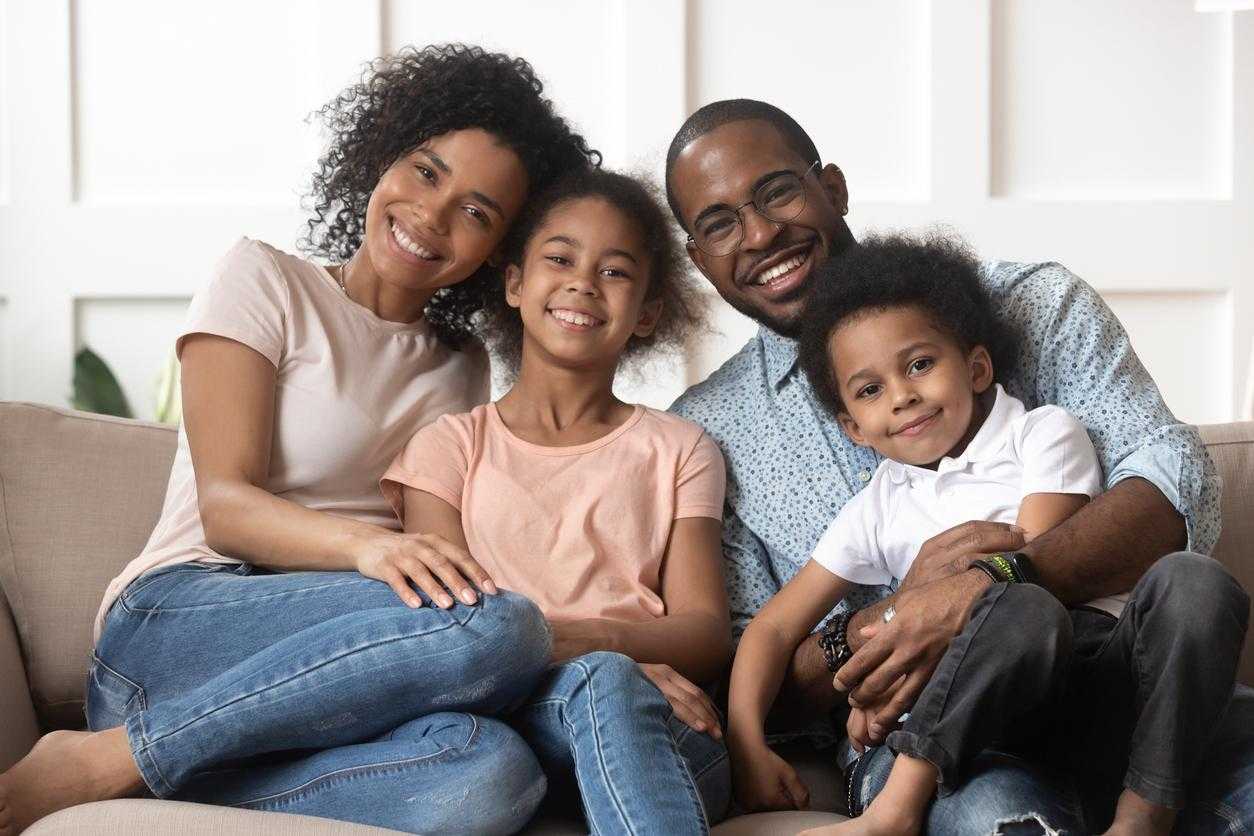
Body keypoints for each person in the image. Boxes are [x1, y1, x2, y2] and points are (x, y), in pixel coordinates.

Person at [0, 44, 600, 836]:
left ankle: (158, 775)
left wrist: (605, 654)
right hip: (177, 624)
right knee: (497, 625)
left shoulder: (462, 367)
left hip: (316, 677)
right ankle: (110, 757)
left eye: (478, 212)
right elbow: (226, 507)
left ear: (501, 253)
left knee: (491, 774)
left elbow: (441, 568)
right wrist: (370, 550)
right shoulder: (263, 279)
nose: (433, 214)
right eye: (426, 171)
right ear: (383, 154)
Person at [664, 98, 1254, 833]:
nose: (758, 234)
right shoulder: (709, 431)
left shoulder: (1035, 306)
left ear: (833, 189)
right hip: (936, 743)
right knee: (995, 815)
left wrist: (984, 589)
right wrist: (893, 617)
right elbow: (755, 660)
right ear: (697, 256)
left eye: (777, 190)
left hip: (1121, 686)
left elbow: (1174, 484)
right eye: (719, 223)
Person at [381, 168, 732, 835]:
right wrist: (610, 659)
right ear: (515, 283)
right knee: (600, 683)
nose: (582, 284)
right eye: (561, 259)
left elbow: (705, 632)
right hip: (513, 724)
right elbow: (452, 633)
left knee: (609, 686)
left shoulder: (682, 449)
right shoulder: (448, 449)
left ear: (648, 312)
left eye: (616, 272)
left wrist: (602, 651)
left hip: (663, 730)